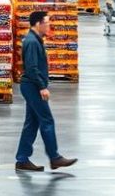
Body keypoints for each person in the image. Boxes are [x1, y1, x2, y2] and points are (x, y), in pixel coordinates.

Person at [15, 10, 76, 172]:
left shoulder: (36, 40)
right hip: (32, 86)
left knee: (32, 123)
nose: (48, 25)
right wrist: (42, 86)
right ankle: (54, 157)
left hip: (32, 85)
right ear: (38, 23)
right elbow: (32, 67)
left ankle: (22, 159)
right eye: (47, 22)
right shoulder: (32, 42)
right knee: (47, 120)